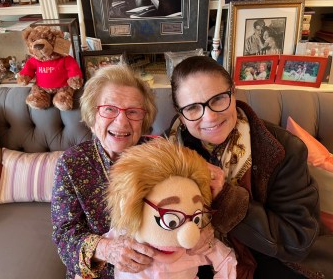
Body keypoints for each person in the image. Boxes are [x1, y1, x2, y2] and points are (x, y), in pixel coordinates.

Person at [166, 56, 323, 278]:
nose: (209, 116)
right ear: (180, 115)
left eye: (219, 99)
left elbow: (296, 240)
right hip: (192, 264)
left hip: (264, 260)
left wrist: (226, 197)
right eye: (192, 108)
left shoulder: (283, 149)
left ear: (233, 92)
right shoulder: (164, 153)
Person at [51, 64, 159, 279]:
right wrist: (107, 249)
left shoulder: (158, 156)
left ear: (143, 120)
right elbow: (64, 236)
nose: (121, 121)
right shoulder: (72, 163)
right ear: (93, 116)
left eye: (133, 112)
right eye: (109, 109)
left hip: (154, 270)